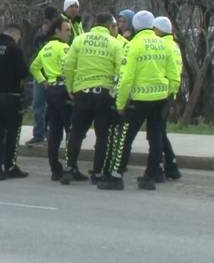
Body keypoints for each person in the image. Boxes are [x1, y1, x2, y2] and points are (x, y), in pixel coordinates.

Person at [98, 10, 180, 191]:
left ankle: (116, 176)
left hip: (139, 99)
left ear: (135, 25)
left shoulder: (133, 45)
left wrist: (120, 103)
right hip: (160, 98)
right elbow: (174, 74)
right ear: (152, 26)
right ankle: (152, 174)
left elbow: (126, 78)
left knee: (125, 137)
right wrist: (170, 95)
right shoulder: (165, 44)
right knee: (156, 135)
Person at [61, 13, 123, 185]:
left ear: (95, 24)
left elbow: (68, 66)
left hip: (82, 93)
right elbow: (121, 72)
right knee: (102, 135)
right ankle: (97, 172)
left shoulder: (80, 40)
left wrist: (70, 88)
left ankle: (69, 168)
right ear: (110, 26)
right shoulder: (115, 43)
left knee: (76, 133)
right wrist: (116, 94)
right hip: (104, 95)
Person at [0, 24, 30, 181]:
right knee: (12, 134)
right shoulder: (14, 50)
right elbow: (23, 72)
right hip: (10, 97)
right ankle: (10, 166)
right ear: (16, 35)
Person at [29, 18, 73, 180]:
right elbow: (68, 69)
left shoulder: (46, 48)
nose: (69, 33)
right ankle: (70, 167)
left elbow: (34, 67)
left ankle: (55, 169)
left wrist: (44, 82)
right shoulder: (65, 48)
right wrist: (71, 89)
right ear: (57, 31)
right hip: (63, 90)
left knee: (54, 131)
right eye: (67, 30)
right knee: (71, 131)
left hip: (51, 91)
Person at [153, 16, 183, 180]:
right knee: (160, 130)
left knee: (158, 132)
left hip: (162, 93)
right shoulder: (174, 45)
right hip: (171, 92)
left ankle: (169, 165)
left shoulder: (163, 45)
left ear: (158, 30)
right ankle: (169, 164)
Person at [26, 6, 60, 145]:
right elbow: (34, 49)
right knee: (38, 106)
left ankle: (51, 134)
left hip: (53, 75)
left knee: (52, 107)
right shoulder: (39, 34)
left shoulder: (58, 37)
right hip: (40, 74)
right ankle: (39, 134)